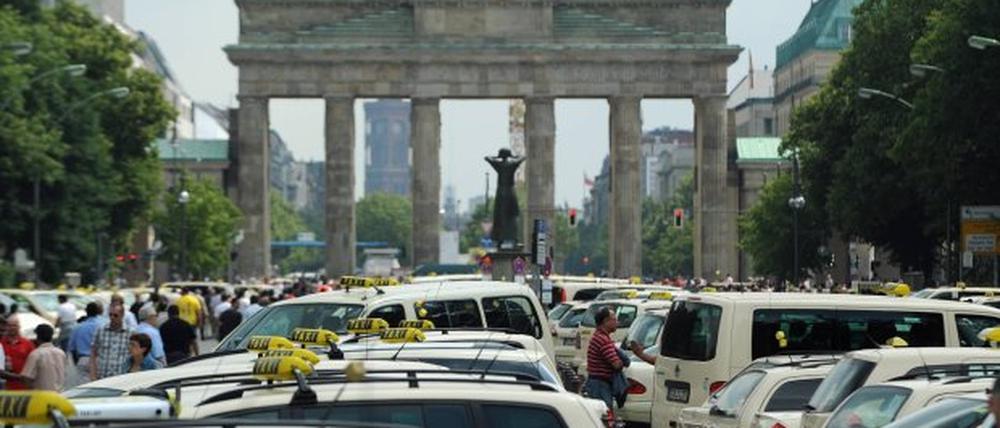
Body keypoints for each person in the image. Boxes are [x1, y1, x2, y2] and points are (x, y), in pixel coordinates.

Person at [583, 307, 626, 409]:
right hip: (600, 386)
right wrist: (622, 360)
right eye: (614, 320)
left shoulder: (598, 336)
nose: (617, 322)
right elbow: (616, 364)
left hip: (596, 383)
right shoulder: (603, 340)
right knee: (604, 415)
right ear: (605, 321)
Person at [14, 324, 66, 391]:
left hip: (43, 396)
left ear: (37, 337)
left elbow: (26, 377)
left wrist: (33, 390)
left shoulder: (36, 354)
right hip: (60, 395)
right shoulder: (61, 353)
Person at [90, 304, 133, 380]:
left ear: (122, 315)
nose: (112, 317)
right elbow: (93, 354)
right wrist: (93, 375)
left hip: (122, 378)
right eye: (110, 315)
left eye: (115, 315)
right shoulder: (100, 330)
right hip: (102, 377)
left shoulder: (130, 332)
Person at [68, 302, 103, 385]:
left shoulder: (78, 327)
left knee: (83, 389)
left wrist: (77, 362)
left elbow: (72, 348)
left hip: (83, 359)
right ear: (98, 311)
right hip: (99, 359)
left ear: (86, 311)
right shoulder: (102, 325)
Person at [1, 315, 36, 390]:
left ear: (19, 327)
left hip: (23, 385)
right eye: (9, 325)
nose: (12, 328)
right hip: (5, 385)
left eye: (14, 325)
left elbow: (34, 363)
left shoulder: (27, 343)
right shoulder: (1, 343)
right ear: (6, 327)